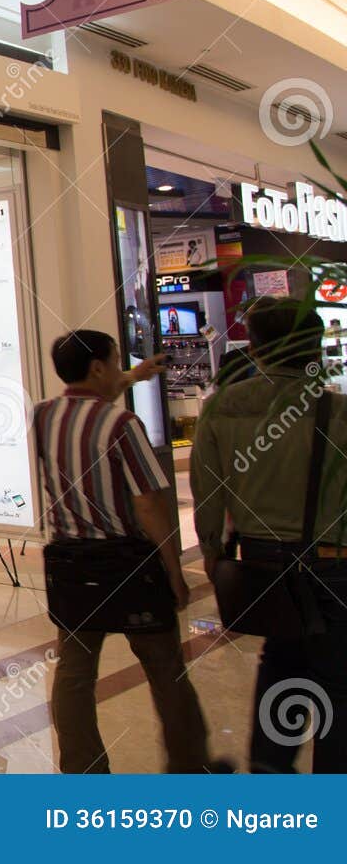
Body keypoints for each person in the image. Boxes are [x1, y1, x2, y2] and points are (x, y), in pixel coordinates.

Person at [33, 329, 219, 773]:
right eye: (116, 362)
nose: (119, 370)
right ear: (98, 367)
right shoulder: (123, 425)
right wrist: (175, 571)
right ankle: (190, 767)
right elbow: (149, 505)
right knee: (165, 669)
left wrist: (133, 375)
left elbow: (93, 393)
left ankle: (83, 770)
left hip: (71, 565)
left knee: (75, 673)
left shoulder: (42, 416)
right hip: (129, 563)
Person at [191, 298, 347, 773]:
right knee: (337, 685)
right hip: (332, 563)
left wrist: (213, 555)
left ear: (256, 349)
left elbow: (207, 493)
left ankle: (269, 785)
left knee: (280, 666)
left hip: (261, 566)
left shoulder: (223, 407)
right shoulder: (338, 410)